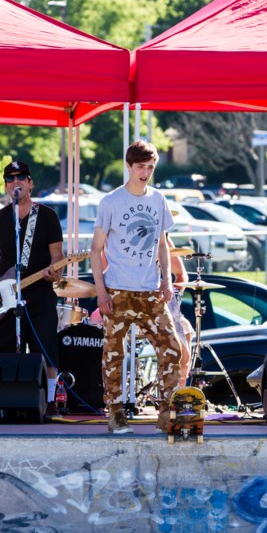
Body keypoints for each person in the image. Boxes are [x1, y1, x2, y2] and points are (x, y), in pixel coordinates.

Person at [91, 140, 182, 434]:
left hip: (150, 291)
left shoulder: (158, 200)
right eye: (140, 167)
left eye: (150, 167)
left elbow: (162, 244)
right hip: (118, 289)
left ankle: (166, 412)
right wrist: (101, 290)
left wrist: (167, 280)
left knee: (171, 348)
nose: (145, 173)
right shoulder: (111, 202)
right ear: (128, 166)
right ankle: (115, 413)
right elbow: (95, 249)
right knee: (113, 353)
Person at [0, 160, 64, 415]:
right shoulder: (0, 218)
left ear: (30, 183)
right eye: (10, 179)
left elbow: (57, 255)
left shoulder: (47, 216)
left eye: (21, 178)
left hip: (40, 292)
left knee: (45, 349)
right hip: (5, 295)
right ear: (5, 186)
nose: (16, 183)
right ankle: (2, 400)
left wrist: (55, 270)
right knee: (0, 350)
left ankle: (51, 402)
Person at [166, 234, 194, 386]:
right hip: (133, 301)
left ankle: (180, 392)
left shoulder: (163, 238)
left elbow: (181, 275)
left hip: (164, 305)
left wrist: (173, 294)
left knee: (185, 329)